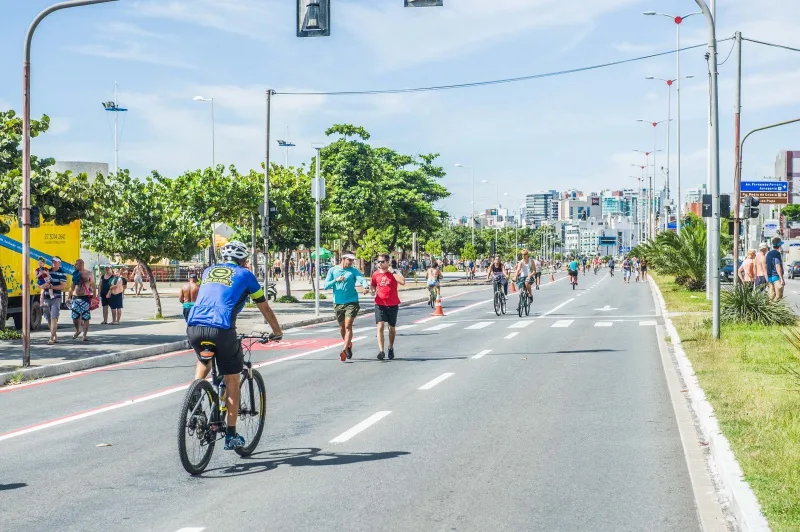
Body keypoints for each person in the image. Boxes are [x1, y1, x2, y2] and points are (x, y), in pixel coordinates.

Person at [187, 241, 283, 451]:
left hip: (194, 326)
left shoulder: (208, 271)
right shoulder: (245, 274)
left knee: (204, 359)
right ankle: (230, 434)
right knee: (232, 378)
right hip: (221, 328)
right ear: (243, 260)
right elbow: (264, 306)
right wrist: (277, 331)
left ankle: (195, 391)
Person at [325, 251, 370, 362]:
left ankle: (344, 350)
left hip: (352, 302)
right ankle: (349, 344)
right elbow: (326, 286)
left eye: (352, 260)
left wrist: (366, 287)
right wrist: (336, 280)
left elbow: (362, 279)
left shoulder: (353, 271)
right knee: (342, 328)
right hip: (338, 303)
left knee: (348, 326)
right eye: (349, 260)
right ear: (343, 259)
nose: (351, 262)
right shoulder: (333, 270)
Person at [370, 253, 405, 360]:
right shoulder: (376, 274)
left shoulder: (394, 273)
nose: (380, 264)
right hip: (380, 304)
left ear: (387, 262)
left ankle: (390, 347)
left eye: (382, 262)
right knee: (380, 326)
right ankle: (381, 351)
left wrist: (392, 272)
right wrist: (371, 290)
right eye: (378, 262)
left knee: (391, 328)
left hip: (393, 304)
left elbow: (402, 282)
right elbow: (373, 285)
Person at [38, 256, 67, 345]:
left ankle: (51, 338)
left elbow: (63, 286)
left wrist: (51, 287)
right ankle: (54, 336)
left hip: (56, 298)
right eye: (53, 261)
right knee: (48, 319)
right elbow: (41, 281)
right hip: (46, 297)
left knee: (54, 317)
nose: (53, 263)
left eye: (56, 261)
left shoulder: (62, 273)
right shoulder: (47, 271)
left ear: (59, 263)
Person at [69, 258, 95, 341]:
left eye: (76, 264)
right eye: (75, 264)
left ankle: (84, 334)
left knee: (86, 317)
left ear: (81, 264)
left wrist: (94, 297)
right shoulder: (75, 274)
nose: (75, 266)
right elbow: (72, 286)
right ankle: (77, 330)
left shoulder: (89, 274)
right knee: (74, 316)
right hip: (76, 297)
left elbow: (93, 286)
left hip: (85, 297)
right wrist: (69, 296)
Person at [766, 237, 785, 301]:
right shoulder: (777, 254)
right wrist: (781, 278)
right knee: (779, 296)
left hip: (770, 278)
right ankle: (773, 306)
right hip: (776, 278)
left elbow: (766, 265)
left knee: (771, 297)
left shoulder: (768, 253)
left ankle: (770, 308)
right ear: (779, 245)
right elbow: (777, 266)